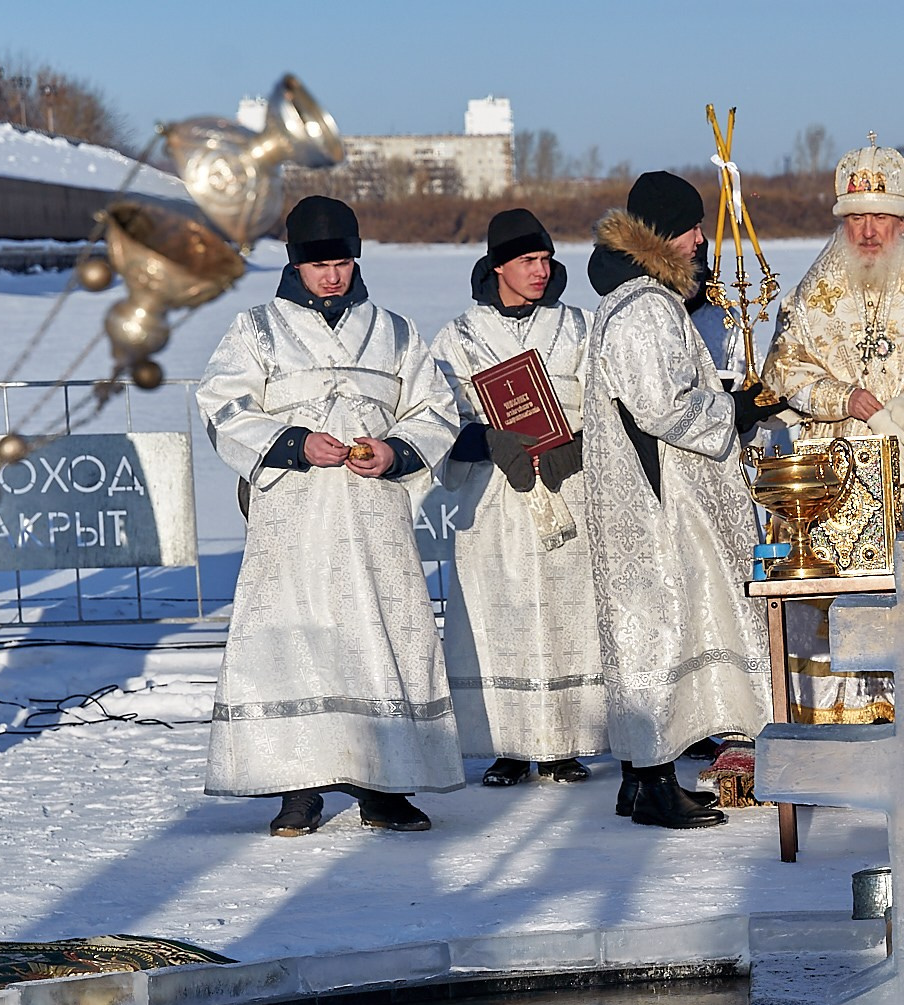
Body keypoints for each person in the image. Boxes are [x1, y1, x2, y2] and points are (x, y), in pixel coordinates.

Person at [195, 195, 463, 835]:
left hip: (373, 521)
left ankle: (384, 782)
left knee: (377, 642)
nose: (332, 276)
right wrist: (292, 442)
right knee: (297, 642)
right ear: (295, 264)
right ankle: (298, 788)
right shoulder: (256, 330)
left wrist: (396, 450)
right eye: (319, 266)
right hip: (294, 522)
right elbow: (223, 406)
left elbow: (436, 410)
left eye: (342, 263)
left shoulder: (396, 331)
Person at [761, 134, 904, 724]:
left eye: (881, 219)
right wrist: (846, 398)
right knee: (834, 590)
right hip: (833, 469)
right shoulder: (813, 292)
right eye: (857, 218)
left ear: (901, 221)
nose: (868, 232)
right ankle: (833, 722)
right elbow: (782, 372)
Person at [581, 171, 781, 830]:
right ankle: (651, 778)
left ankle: (643, 780)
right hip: (658, 502)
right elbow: (662, 405)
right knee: (657, 632)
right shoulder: (644, 305)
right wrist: (737, 407)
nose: (701, 240)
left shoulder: (639, 299)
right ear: (662, 233)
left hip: (654, 493)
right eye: (692, 228)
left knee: (656, 631)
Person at [428, 207, 606, 789]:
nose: (540, 269)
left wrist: (574, 448)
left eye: (546, 259)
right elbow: (435, 417)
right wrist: (485, 440)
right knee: (495, 613)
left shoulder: (577, 327)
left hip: (568, 490)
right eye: (527, 260)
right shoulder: (459, 337)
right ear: (498, 265)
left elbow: (605, 403)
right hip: (494, 500)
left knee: (569, 611)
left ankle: (565, 741)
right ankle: (505, 744)